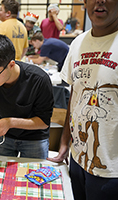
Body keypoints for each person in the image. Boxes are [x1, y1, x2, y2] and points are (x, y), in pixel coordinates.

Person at [47, 0, 118, 199]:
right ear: (85, 3)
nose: (100, 1)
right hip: (78, 160)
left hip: (112, 171)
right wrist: (64, 143)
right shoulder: (78, 43)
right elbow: (74, 96)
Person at [0, 34, 54, 159]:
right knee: (1, 175)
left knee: (34, 175)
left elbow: (43, 122)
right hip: (2, 136)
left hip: (34, 139)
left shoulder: (38, 80)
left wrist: (10, 122)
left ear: (11, 64)